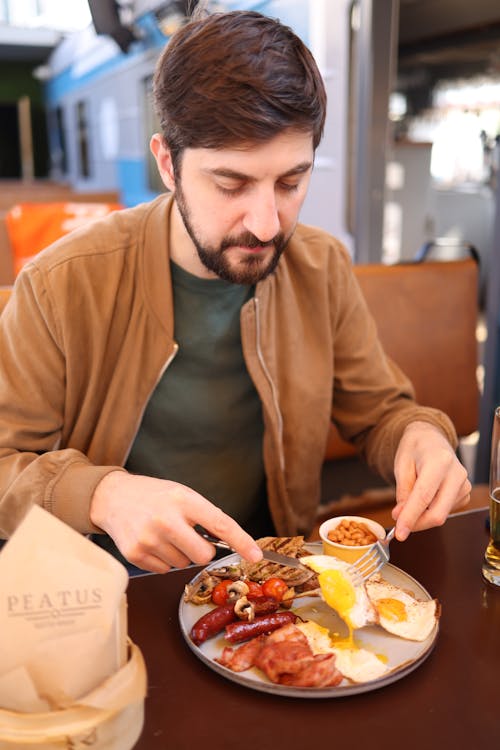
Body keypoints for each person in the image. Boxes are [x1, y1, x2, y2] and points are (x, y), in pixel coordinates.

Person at [0, 9, 470, 574]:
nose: (269, 225)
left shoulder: (318, 265)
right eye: (232, 183)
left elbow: (379, 413)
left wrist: (420, 437)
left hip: (273, 579)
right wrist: (100, 494)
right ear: (168, 163)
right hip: (109, 590)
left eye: (291, 182)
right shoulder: (62, 282)